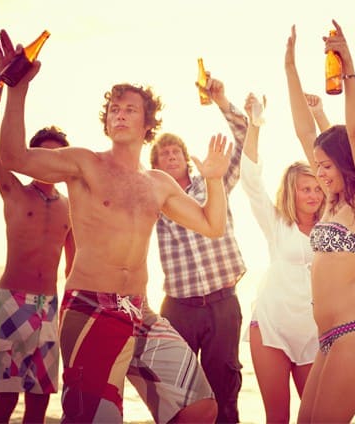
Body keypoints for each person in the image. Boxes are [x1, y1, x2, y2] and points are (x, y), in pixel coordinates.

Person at [0, 29, 228, 422]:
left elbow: (212, 226)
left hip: (140, 311)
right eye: (114, 110)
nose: (119, 115)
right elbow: (14, 155)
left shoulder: (158, 184)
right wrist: (16, 90)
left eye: (129, 110)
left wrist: (215, 179)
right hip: (90, 308)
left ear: (147, 123)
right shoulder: (85, 163)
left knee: (201, 407)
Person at [285, 21, 355, 422]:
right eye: (317, 166)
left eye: (327, 165)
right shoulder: (331, 203)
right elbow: (302, 129)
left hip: (354, 335)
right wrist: (290, 68)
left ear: (346, 164)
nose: (319, 174)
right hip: (327, 338)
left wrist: (348, 67)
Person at [0, 43, 75, 423]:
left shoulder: (72, 206)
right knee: (6, 401)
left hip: (49, 308)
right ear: (30, 156)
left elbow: (75, 263)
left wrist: (72, 311)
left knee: (39, 402)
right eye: (43, 154)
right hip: (11, 303)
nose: (50, 162)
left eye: (58, 156)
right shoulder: (14, 192)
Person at [150, 75, 246, 424]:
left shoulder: (214, 182)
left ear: (186, 159)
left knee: (225, 390)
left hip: (223, 304)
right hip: (179, 309)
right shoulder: (152, 197)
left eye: (177, 151)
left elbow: (243, 134)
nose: (172, 155)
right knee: (177, 395)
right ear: (155, 164)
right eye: (164, 152)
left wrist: (222, 101)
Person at [239, 92, 327, 422]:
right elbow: (250, 181)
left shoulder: (331, 226)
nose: (313, 195)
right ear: (292, 190)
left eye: (318, 188)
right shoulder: (276, 223)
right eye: (306, 188)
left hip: (312, 333)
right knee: (278, 418)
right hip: (271, 327)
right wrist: (255, 124)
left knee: (315, 416)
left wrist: (320, 114)